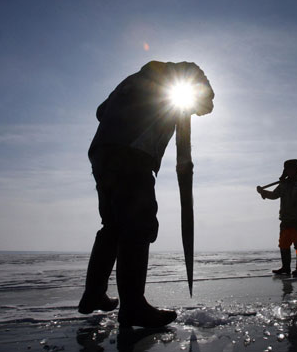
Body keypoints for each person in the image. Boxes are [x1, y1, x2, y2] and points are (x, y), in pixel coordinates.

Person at [78, 61, 214, 328]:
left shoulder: (132, 81)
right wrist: (190, 103)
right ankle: (133, 307)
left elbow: (100, 111)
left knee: (113, 226)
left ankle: (93, 294)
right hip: (132, 152)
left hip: (102, 152)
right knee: (138, 225)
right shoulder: (182, 72)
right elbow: (207, 103)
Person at [256, 159, 297, 277]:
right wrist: (263, 192)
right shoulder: (284, 184)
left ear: (296, 169)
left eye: (291, 168)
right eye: (287, 169)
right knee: (284, 245)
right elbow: (274, 195)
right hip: (285, 219)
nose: (289, 171)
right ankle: (286, 268)